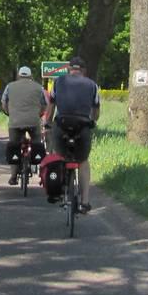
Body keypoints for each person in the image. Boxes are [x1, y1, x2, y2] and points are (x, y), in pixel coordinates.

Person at [45, 54, 100, 212]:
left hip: (62, 124)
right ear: (84, 70)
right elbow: (96, 111)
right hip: (82, 126)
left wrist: (47, 123)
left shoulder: (58, 82)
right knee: (83, 161)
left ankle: (59, 190)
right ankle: (85, 201)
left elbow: (51, 106)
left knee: (59, 155)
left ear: (69, 69)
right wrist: (93, 121)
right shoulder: (92, 85)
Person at [0, 66, 50, 185]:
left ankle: (13, 176)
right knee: (37, 141)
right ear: (30, 76)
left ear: (19, 75)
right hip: (33, 121)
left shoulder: (10, 86)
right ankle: (38, 169)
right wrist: (39, 114)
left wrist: (8, 113)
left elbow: (3, 102)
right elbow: (45, 104)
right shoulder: (39, 87)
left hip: (15, 122)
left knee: (14, 145)